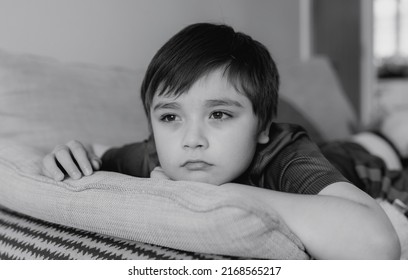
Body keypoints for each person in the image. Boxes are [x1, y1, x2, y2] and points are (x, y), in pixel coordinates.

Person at [41, 23, 400, 259]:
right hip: (323, 147)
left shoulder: (283, 152)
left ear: (262, 128)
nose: (191, 140)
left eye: (218, 114)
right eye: (169, 117)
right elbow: (98, 153)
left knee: (386, 139)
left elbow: (376, 246)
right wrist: (74, 152)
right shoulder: (157, 155)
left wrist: (216, 194)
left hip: (366, 163)